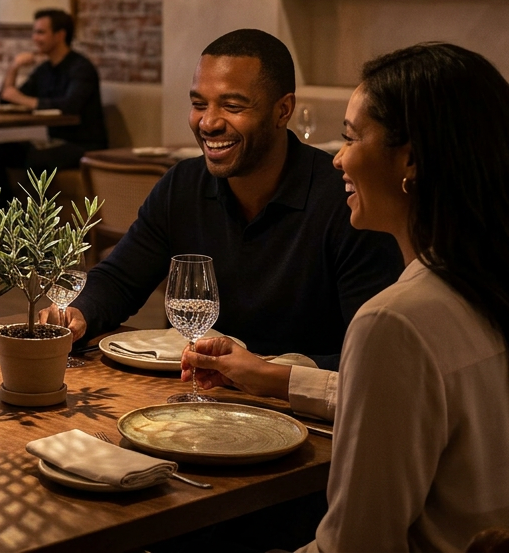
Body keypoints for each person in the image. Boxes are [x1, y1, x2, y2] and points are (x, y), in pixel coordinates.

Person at [181, 43, 509, 552]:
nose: (337, 158)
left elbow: (356, 544)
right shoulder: (483, 284)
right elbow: (409, 402)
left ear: (412, 160)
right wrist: (268, 374)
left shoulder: (396, 321)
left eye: (351, 137)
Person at [44, 28, 403, 369]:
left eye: (232, 106)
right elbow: (120, 278)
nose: (208, 122)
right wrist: (80, 312)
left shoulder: (346, 200)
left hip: (300, 411)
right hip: (189, 395)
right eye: (199, 104)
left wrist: (268, 374)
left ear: (283, 110)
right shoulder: (182, 184)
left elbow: (374, 354)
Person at [0, 9, 107, 197]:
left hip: (84, 145)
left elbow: (69, 107)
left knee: (37, 159)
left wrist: (21, 99)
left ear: (60, 35)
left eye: (41, 32)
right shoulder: (44, 70)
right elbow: (7, 99)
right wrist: (14, 67)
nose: (35, 38)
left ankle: (31, 223)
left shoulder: (81, 68)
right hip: (52, 143)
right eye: (34, 32)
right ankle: (5, 222)